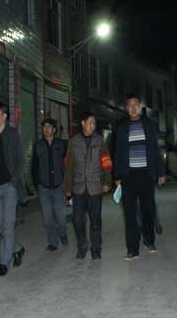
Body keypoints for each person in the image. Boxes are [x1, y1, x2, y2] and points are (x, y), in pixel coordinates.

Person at [114, 94, 165, 261]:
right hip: (128, 176)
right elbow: (118, 152)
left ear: (140, 106)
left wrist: (160, 172)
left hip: (146, 174)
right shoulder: (122, 127)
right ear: (126, 108)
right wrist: (117, 175)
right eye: (130, 105)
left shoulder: (148, 125)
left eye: (135, 105)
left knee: (147, 210)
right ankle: (132, 249)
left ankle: (149, 241)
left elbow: (155, 150)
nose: (133, 108)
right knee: (129, 214)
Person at [0, 101, 25, 277]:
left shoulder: (13, 134)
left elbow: (21, 159)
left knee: (8, 224)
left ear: (4, 116)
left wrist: (14, 179)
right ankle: (17, 249)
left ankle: (4, 262)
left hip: (9, 186)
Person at [64, 111, 112, 260]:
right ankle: (82, 245)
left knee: (95, 221)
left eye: (94, 123)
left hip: (95, 187)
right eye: (90, 123)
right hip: (78, 188)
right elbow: (69, 166)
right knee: (78, 220)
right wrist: (68, 188)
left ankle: (96, 249)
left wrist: (107, 181)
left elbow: (106, 161)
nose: (93, 126)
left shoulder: (99, 141)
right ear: (83, 123)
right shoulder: (73, 142)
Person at [32, 118, 69, 251]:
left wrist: (67, 183)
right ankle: (53, 242)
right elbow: (34, 167)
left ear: (54, 130)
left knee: (61, 217)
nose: (46, 129)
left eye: (49, 127)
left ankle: (63, 233)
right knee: (47, 218)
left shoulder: (62, 144)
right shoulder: (38, 145)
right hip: (44, 188)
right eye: (44, 127)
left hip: (59, 186)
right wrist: (37, 184)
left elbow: (68, 164)